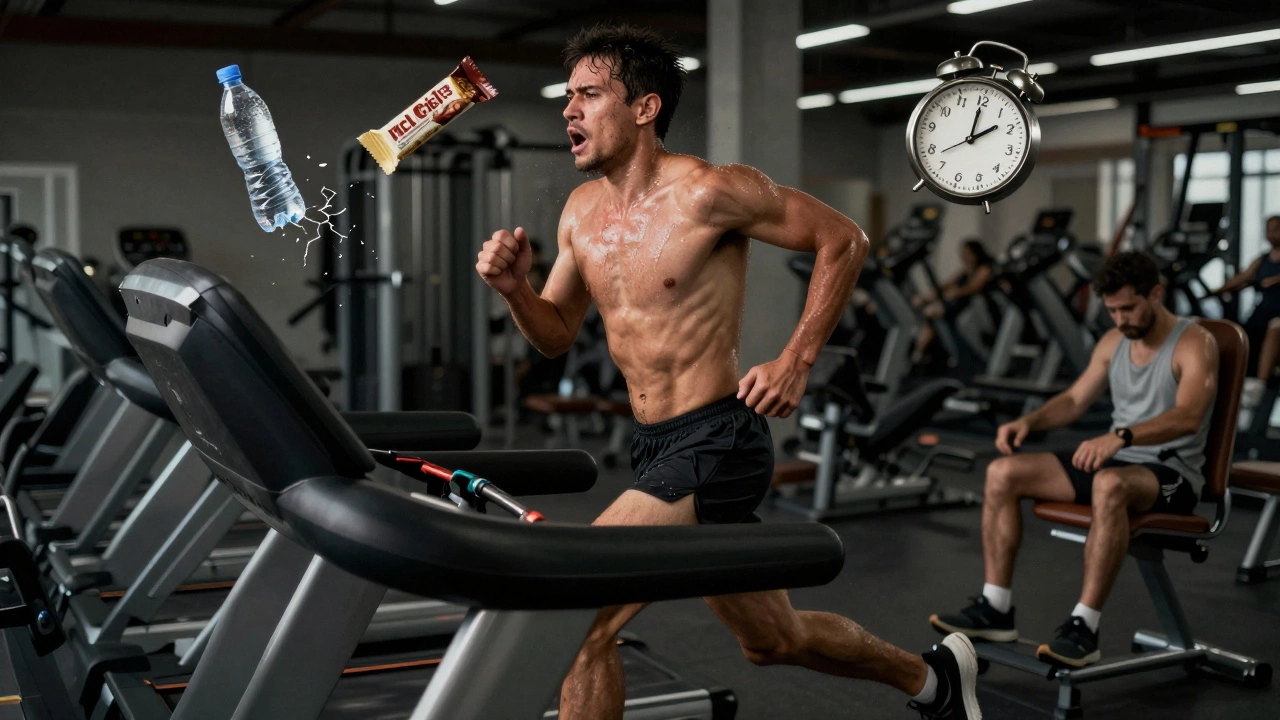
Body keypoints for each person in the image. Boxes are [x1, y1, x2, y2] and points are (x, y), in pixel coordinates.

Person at [476, 24, 981, 720]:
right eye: (570, 97)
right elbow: (556, 337)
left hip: (717, 439)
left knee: (580, 609)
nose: (570, 111)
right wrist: (516, 293)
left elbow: (844, 239)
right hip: (654, 444)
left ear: (645, 108)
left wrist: (796, 358)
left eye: (589, 95)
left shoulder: (710, 193)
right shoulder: (579, 214)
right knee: (774, 640)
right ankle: (933, 681)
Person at [930, 251, 1218, 668]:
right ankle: (995, 607)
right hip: (1118, 457)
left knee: (1109, 484)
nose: (1120, 319)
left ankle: (1085, 626)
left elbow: (1189, 416)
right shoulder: (1113, 341)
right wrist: (1029, 421)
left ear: (1156, 294)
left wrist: (1120, 437)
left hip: (1171, 473)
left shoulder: (1195, 342)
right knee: (1002, 472)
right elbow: (1074, 400)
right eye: (1112, 311)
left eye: (1129, 308)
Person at [1211, 215, 1280, 404]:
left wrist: (1275, 280)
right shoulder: (1262, 260)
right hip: (1262, 313)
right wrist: (1213, 290)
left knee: (1275, 327)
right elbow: (1241, 279)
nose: (1271, 234)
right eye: (1269, 230)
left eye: (1276, 229)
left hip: (1277, 317)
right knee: (1238, 332)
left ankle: (1260, 385)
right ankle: (1233, 381)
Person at [912, 238, 996, 365]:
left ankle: (919, 354)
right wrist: (925, 298)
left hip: (976, 308)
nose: (965, 257)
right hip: (959, 306)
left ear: (976, 253)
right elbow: (946, 285)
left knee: (933, 312)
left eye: (968, 253)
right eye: (963, 253)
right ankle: (919, 354)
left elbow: (973, 288)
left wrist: (956, 292)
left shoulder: (984, 269)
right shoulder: (964, 271)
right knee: (930, 315)